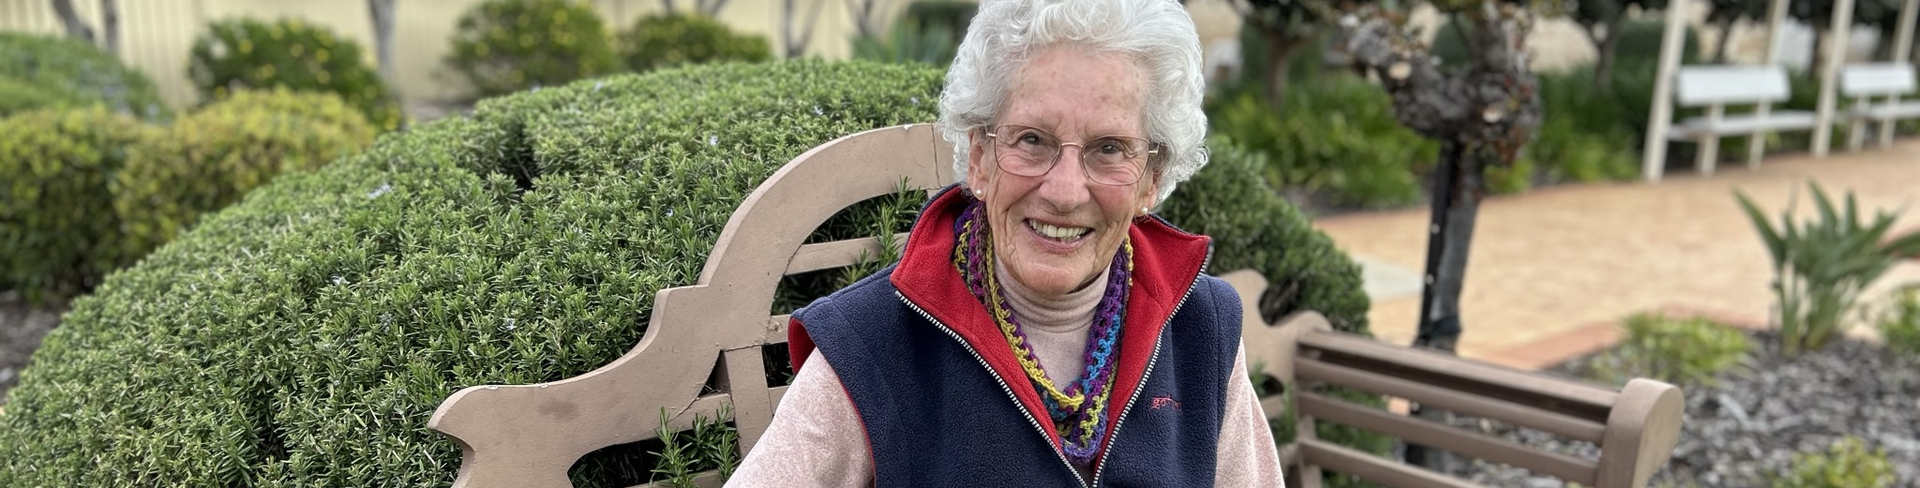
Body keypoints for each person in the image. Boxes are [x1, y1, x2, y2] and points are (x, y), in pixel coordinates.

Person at [729, 0, 1284, 485]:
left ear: (1151, 178)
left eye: (1110, 148)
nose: (1065, 191)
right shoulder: (868, 347)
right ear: (978, 158)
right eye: (1032, 140)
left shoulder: (1201, 327)